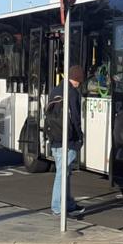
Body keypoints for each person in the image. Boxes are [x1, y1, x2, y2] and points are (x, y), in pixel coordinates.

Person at [47, 64, 86, 219]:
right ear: (76, 79)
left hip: (55, 139)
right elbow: (75, 119)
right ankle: (58, 207)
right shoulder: (72, 93)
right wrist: (80, 137)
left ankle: (68, 204)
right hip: (67, 140)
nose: (80, 84)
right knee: (62, 175)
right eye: (80, 81)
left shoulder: (55, 90)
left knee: (65, 173)